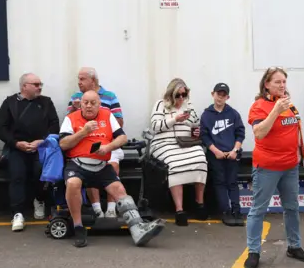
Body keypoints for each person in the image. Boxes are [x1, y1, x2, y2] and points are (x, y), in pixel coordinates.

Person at [59, 90, 165, 248]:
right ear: (80, 103)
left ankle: (138, 229)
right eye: (85, 102)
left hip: (101, 165)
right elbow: (63, 144)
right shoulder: (70, 118)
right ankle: (78, 227)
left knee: (119, 189)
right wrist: (84, 132)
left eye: (93, 103)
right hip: (77, 163)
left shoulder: (107, 116)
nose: (88, 106)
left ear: (99, 104)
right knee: (73, 183)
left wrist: (108, 147)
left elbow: (122, 138)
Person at [243, 67, 304, 268]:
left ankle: (294, 245)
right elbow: (260, 132)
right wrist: (275, 111)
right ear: (266, 84)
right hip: (267, 167)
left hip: (290, 166)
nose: (282, 86)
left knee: (292, 207)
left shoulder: (289, 105)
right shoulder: (259, 106)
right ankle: (253, 251)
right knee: (258, 209)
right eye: (277, 82)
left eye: (284, 82)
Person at [0, 73, 60, 232]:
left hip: (41, 147)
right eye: (36, 84)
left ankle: (39, 200)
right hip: (17, 147)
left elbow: (54, 125)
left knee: (41, 172)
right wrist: (16, 143)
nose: (40, 87)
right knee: (17, 174)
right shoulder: (10, 103)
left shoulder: (46, 102)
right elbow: (1, 128)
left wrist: (42, 141)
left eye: (40, 84)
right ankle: (17, 213)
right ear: (24, 86)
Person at [149, 78, 208, 226]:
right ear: (171, 94)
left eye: (184, 94)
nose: (181, 98)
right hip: (165, 143)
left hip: (187, 142)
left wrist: (195, 129)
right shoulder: (161, 105)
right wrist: (175, 119)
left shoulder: (189, 105)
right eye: (178, 95)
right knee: (174, 163)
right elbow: (155, 126)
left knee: (201, 159)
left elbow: (196, 123)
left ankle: (199, 203)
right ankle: (179, 209)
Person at [66, 67, 124, 218]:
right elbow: (69, 122)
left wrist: (100, 114)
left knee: (113, 163)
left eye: (82, 79)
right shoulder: (75, 97)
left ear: (93, 80)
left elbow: (119, 123)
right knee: (89, 160)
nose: (79, 82)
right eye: (78, 79)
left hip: (108, 141)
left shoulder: (110, 96)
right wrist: (76, 109)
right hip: (83, 144)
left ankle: (111, 208)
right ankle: (97, 209)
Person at [199, 83, 246, 226]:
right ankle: (225, 211)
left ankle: (236, 211)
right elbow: (205, 136)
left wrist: (235, 150)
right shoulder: (206, 115)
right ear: (212, 94)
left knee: (232, 182)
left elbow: (240, 133)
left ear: (228, 97)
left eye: (223, 95)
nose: (220, 97)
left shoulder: (233, 114)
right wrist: (216, 151)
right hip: (216, 155)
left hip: (232, 154)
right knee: (220, 182)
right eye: (218, 94)